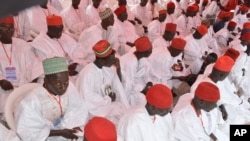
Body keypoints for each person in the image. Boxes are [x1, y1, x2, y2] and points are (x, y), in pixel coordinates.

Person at [15, 57, 89, 141]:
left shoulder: (70, 87)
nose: (63, 87)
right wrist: (60, 132)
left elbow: (78, 108)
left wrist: (76, 125)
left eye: (66, 82)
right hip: (45, 137)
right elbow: (28, 131)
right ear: (46, 81)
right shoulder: (32, 101)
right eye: (58, 84)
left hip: (66, 129)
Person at [76, 40, 129, 125]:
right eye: (111, 60)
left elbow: (118, 86)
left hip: (107, 105)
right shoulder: (87, 73)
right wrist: (108, 99)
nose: (113, 61)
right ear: (101, 61)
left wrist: (118, 68)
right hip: (94, 109)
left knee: (122, 111)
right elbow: (87, 98)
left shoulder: (108, 69)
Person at [0, 16, 42, 88]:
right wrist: (1, 80)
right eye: (5, 28)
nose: (8, 31)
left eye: (11, 28)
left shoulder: (22, 45)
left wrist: (30, 86)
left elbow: (35, 66)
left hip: (24, 87)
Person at [119, 36, 153, 106]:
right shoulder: (130, 62)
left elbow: (145, 73)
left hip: (137, 86)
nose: (152, 51)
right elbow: (127, 85)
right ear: (145, 52)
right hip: (125, 91)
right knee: (143, 100)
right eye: (150, 50)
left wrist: (149, 82)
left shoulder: (141, 58)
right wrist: (143, 90)